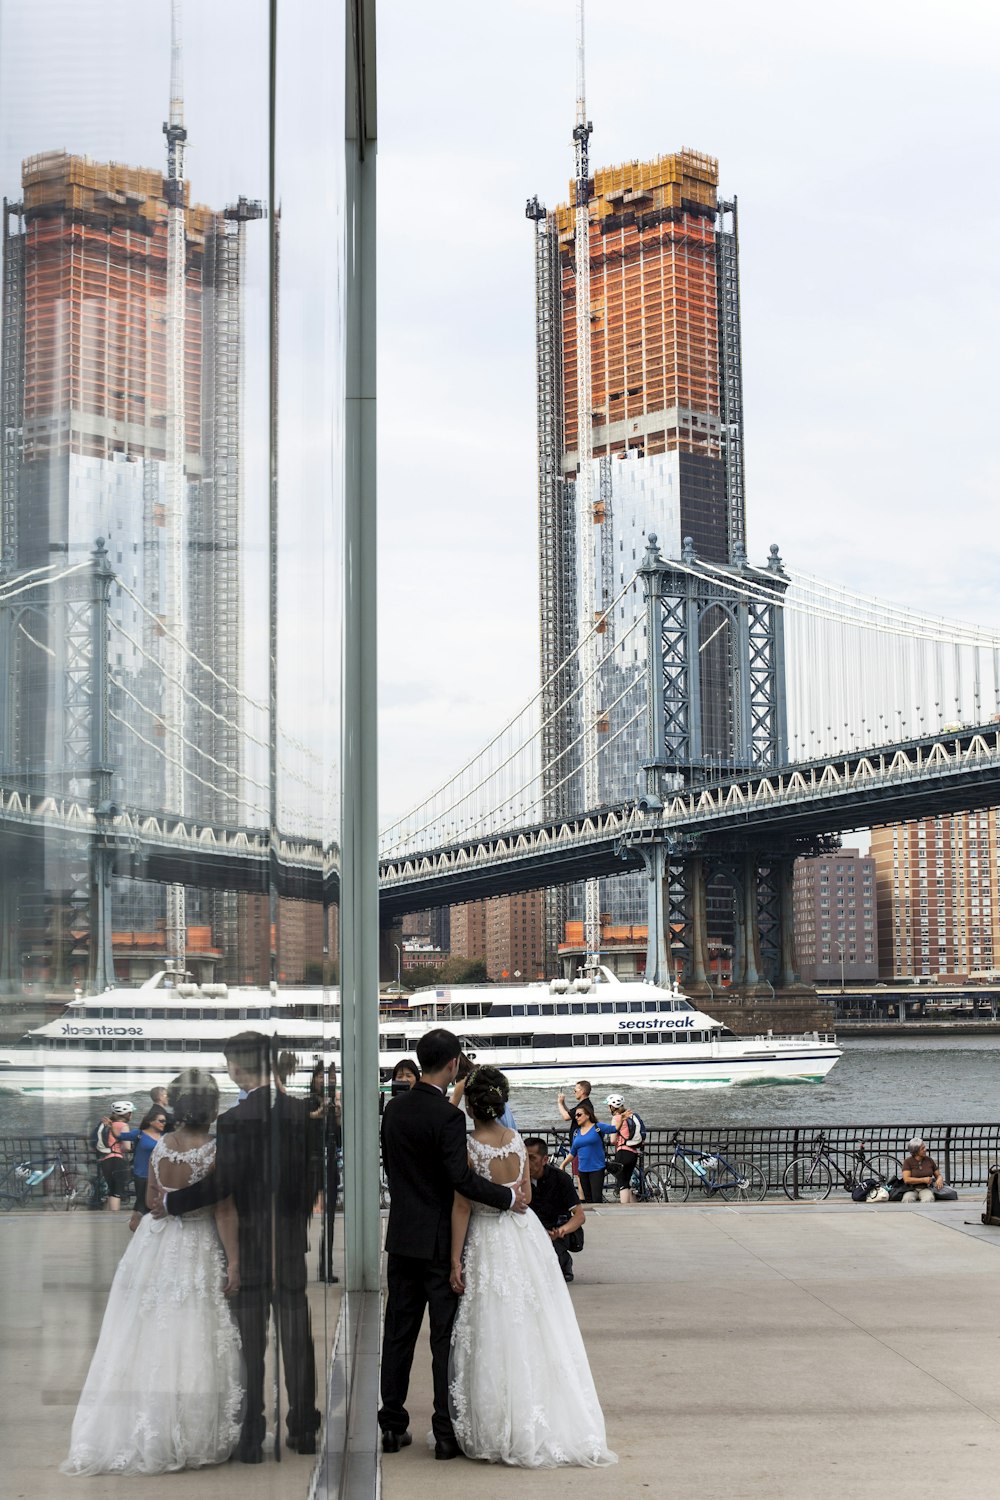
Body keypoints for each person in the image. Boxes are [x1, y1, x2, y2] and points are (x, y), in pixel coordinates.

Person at [62, 1069, 242, 1475]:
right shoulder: (214, 1151)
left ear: (176, 1107)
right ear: (213, 1110)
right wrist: (234, 1260)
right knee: (191, 1331)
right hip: (197, 1242)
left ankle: (144, 1426)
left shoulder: (160, 1146)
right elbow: (224, 1209)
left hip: (155, 1243)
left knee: (144, 1330)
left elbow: (151, 1199)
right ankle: (190, 1430)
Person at [156, 1032, 321, 1463]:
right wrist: (295, 1220)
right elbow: (311, 1178)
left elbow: (223, 1185)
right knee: (296, 1336)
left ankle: (251, 1434)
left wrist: (172, 1202)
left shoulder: (234, 1120)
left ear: (235, 1066)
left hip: (248, 1242)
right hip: (287, 1240)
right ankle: (303, 1428)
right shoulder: (300, 1111)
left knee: (250, 1339)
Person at [448, 1067, 616, 1467]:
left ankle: (497, 1420)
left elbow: (462, 1204)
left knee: (492, 1324)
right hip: (522, 1237)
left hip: (486, 1236)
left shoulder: (469, 1146)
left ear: (471, 1106)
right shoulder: (518, 1142)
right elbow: (523, 1196)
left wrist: (455, 1257)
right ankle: (541, 1413)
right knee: (533, 1321)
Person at [378, 1028, 528, 1460]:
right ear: (452, 1064)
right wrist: (505, 1197)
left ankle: (392, 1425)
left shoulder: (394, 1111)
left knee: (398, 1334)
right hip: (441, 1241)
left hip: (403, 1235)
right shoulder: (447, 1119)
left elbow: (394, 1170)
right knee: (444, 1338)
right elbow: (458, 1180)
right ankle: (445, 1432)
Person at [524, 1136, 586, 1282]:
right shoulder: (519, 1179)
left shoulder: (561, 1178)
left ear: (545, 1159)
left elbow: (580, 1216)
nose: (527, 1163)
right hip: (531, 1229)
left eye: (532, 1158)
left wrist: (561, 1231)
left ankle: (564, 1261)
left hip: (557, 1229)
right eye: (524, 1158)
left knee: (552, 1266)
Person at [120, 1105, 168, 1231]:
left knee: (154, 1202)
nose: (164, 1123)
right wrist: (111, 1125)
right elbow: (121, 1136)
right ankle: (136, 1225)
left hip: (159, 1175)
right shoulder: (139, 1134)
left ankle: (147, 1227)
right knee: (143, 1202)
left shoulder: (165, 1136)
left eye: (165, 1121)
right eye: (161, 1121)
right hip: (142, 1174)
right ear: (151, 1121)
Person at [569, 1098, 616, 1202]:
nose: (576, 1117)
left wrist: (622, 1117)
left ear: (588, 1115)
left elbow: (615, 1128)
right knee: (588, 1199)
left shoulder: (598, 1127)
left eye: (579, 1115)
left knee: (596, 1198)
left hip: (596, 1169)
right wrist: (563, 1165)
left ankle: (600, 1217)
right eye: (575, 1115)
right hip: (582, 1170)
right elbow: (573, 1152)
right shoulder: (576, 1132)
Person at [606, 1094, 646, 1206]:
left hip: (623, 1152)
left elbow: (613, 1139)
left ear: (612, 1107)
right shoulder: (631, 1115)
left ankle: (624, 1209)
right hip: (633, 1152)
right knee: (627, 1181)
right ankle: (634, 1208)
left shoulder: (616, 1118)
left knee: (622, 1182)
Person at [96, 1101, 134, 1212]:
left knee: (111, 1191)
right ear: (126, 1114)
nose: (131, 1115)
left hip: (105, 1159)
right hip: (117, 1160)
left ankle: (105, 1220)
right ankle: (113, 1219)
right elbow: (127, 1147)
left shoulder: (108, 1124)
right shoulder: (123, 1126)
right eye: (130, 1113)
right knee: (117, 1193)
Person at [901, 1137, 944, 1202]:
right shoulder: (908, 1162)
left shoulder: (929, 1160)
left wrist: (939, 1179)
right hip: (911, 1189)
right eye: (922, 1148)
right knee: (907, 1199)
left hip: (926, 1188)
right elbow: (907, 1179)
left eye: (924, 1147)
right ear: (916, 1151)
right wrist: (923, 1180)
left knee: (928, 1198)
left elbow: (938, 1175)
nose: (925, 1150)